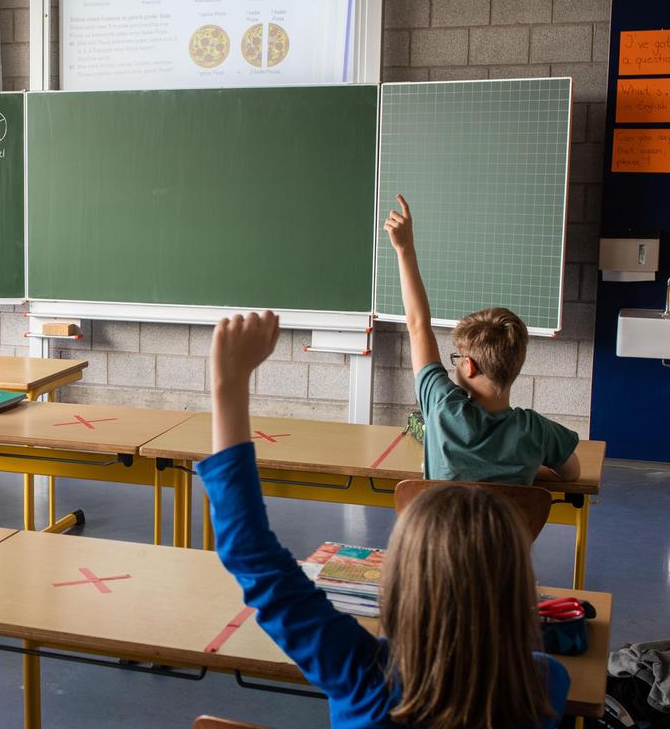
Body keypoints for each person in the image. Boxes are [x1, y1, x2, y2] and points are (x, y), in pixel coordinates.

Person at [197, 310, 569, 729]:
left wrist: (227, 385)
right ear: (520, 587)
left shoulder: (362, 671)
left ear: (400, 579)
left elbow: (252, 558)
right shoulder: (542, 684)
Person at [384, 194, 581, 484]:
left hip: (440, 531)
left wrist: (405, 250)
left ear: (470, 366)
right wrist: (523, 466)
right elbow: (572, 474)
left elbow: (417, 325)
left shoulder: (442, 407)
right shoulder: (536, 432)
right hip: (504, 532)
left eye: (458, 358)